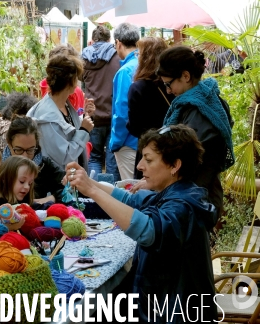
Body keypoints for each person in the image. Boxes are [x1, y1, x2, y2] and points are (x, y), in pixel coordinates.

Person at [66, 124, 217, 322]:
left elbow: (148, 231)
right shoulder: (176, 193)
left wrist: (92, 191)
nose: (139, 166)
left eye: (148, 160)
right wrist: (89, 182)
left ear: (174, 165)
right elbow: (130, 201)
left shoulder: (183, 207)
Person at [157, 46, 234, 217]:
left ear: (186, 76)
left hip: (196, 199)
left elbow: (185, 156)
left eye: (169, 84)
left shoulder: (200, 109)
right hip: (196, 195)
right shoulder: (201, 101)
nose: (168, 90)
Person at [27, 45, 93, 173]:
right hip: (57, 185)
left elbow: (67, 129)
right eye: (76, 78)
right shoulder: (47, 116)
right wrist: (84, 130)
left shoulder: (63, 104)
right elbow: (65, 156)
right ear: (70, 82)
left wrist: (85, 117)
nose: (78, 83)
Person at [127, 37, 173, 179]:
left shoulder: (138, 88)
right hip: (172, 148)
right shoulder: (172, 85)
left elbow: (135, 127)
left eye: (139, 54)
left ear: (145, 58)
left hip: (148, 149)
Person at [3, 116, 75, 206]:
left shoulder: (44, 165)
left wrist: (54, 197)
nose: (25, 156)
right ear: (9, 144)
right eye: (19, 150)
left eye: (30, 150)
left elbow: (71, 187)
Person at [82, 25, 121, 183]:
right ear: (110, 39)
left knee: (95, 156)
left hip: (93, 115)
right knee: (112, 159)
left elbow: (82, 80)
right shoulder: (117, 57)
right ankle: (110, 195)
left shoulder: (84, 57)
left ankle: (94, 194)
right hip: (112, 115)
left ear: (93, 39)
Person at [109, 23, 140, 180]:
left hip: (128, 143)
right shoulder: (145, 64)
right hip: (145, 142)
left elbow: (122, 111)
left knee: (131, 190)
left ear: (118, 43)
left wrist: (115, 143)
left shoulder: (125, 71)